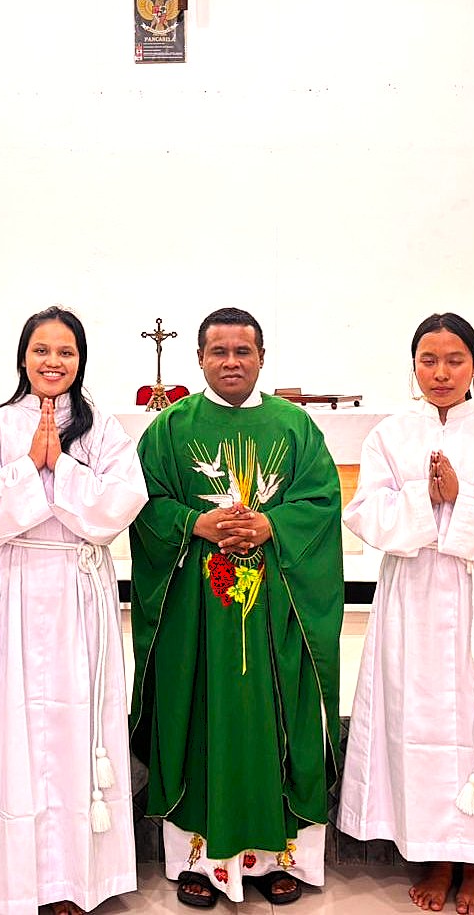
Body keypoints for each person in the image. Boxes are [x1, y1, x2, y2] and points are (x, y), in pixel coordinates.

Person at [129, 307, 344, 908]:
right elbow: (141, 504)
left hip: (277, 608)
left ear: (261, 357)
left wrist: (273, 525)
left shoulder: (295, 427)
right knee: (199, 715)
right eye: (219, 351)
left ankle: (280, 857)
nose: (231, 362)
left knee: (280, 716)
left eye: (242, 351)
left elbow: (322, 502)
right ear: (199, 358)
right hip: (196, 614)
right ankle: (199, 862)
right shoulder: (168, 429)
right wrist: (195, 523)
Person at [338, 314, 474, 915]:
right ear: (413, 366)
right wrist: (422, 499)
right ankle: (433, 853)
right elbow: (365, 513)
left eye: (454, 360)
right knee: (419, 720)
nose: (440, 372)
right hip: (414, 594)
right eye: (428, 360)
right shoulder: (390, 435)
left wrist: (461, 500)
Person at [0, 307, 146, 915]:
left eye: (65, 351)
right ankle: (8, 881)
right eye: (41, 350)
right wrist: (29, 463)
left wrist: (62, 464)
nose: (53, 362)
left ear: (80, 361)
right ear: (23, 357)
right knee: (12, 729)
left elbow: (121, 504)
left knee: (73, 730)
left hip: (77, 588)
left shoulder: (102, 428)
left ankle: (72, 881)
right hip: (13, 587)